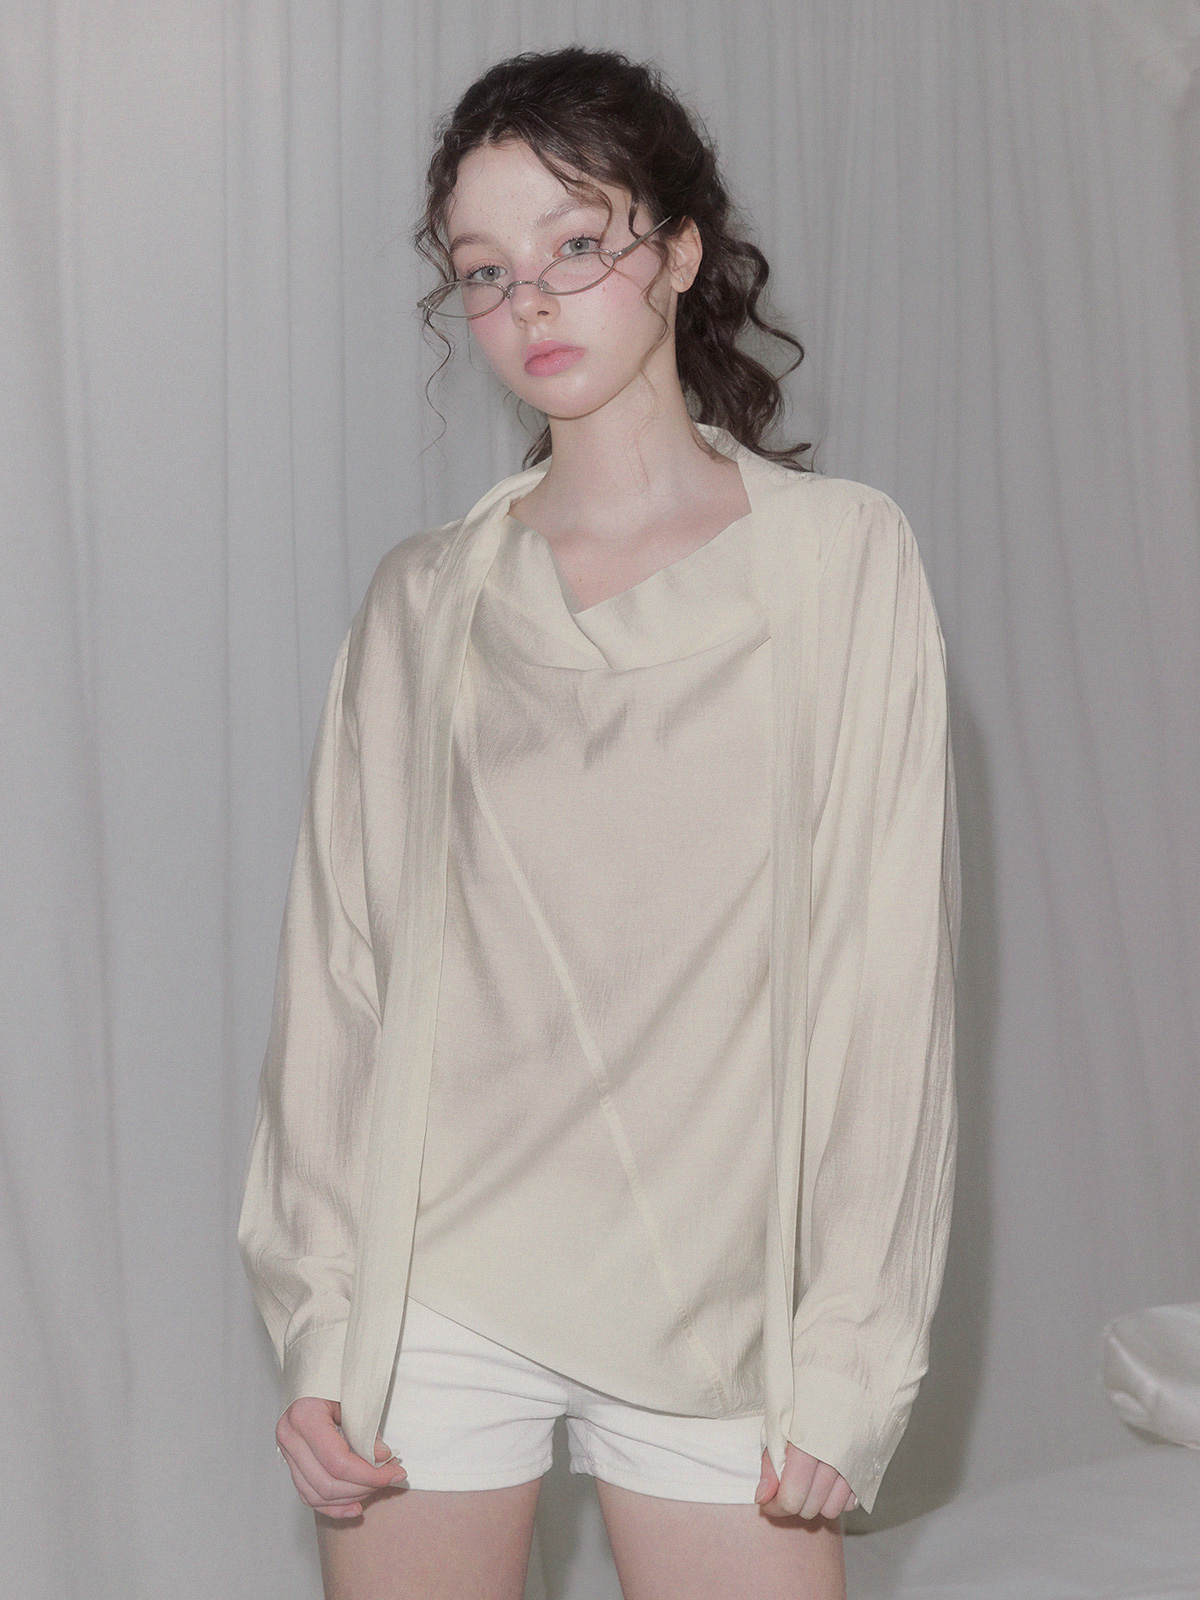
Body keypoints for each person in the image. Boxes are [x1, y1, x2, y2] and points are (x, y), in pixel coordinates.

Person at [237, 44, 961, 1600]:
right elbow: (340, 980)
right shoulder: (425, 600)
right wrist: (323, 1315)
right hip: (438, 1289)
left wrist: (850, 1352)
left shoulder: (838, 561)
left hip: (726, 1297)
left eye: (577, 243)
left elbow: (884, 978)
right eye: (484, 271)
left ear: (680, 251)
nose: (532, 303)